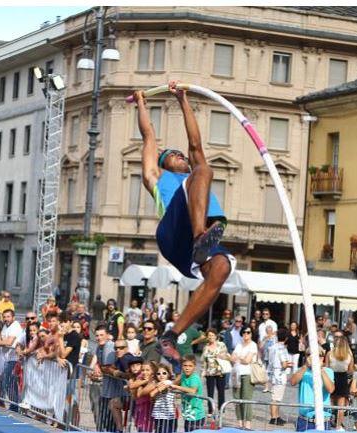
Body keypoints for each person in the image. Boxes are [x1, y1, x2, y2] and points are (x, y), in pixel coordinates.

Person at [133, 81, 234, 360]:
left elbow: (195, 144)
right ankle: (201, 234)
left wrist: (182, 99)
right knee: (202, 171)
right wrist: (141, 102)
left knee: (222, 268)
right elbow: (149, 137)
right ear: (163, 164)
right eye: (170, 156)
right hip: (175, 231)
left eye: (179, 155)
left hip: (193, 242)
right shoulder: (158, 178)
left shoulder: (194, 172)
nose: (177, 156)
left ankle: (172, 335)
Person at [290, 346, 335, 430]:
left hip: (323, 419)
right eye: (309, 355)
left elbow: (331, 389)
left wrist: (321, 369)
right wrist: (305, 366)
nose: (312, 357)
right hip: (304, 419)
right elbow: (293, 382)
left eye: (316, 355)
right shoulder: (302, 370)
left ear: (322, 357)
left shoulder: (328, 371)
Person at [231, 325, 258, 429]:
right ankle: (239, 421)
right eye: (244, 332)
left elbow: (247, 361)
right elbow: (232, 358)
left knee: (246, 398)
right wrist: (241, 358)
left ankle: (248, 423)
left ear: (251, 334)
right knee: (237, 399)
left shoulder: (253, 345)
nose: (246, 334)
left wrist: (239, 357)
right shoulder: (239, 344)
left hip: (247, 374)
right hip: (236, 374)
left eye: (248, 332)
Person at [327, 330, 354, 431]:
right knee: (341, 406)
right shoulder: (349, 356)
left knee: (330, 402)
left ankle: (329, 422)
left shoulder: (330, 354)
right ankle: (339, 426)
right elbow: (351, 371)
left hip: (332, 377)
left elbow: (326, 367)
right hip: (343, 379)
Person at [172, 354, 207, 432]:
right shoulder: (183, 376)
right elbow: (173, 384)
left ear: (194, 366)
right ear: (181, 366)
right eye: (185, 365)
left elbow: (192, 391)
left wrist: (176, 387)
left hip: (196, 414)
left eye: (190, 366)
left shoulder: (194, 378)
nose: (187, 368)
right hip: (188, 413)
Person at [201, 328, 230, 410]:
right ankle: (210, 410)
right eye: (209, 335)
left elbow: (226, 356)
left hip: (220, 371)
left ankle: (221, 409)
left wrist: (221, 356)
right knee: (210, 392)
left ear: (216, 336)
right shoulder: (205, 347)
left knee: (221, 391)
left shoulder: (221, 344)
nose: (211, 337)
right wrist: (203, 371)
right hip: (209, 372)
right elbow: (204, 361)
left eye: (212, 335)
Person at [267, 328, 292, 426]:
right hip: (280, 374)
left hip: (273, 373)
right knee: (276, 398)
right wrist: (289, 365)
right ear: (286, 338)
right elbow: (284, 364)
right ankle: (273, 418)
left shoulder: (273, 347)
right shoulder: (282, 348)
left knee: (276, 396)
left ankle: (276, 416)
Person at [149, 364, 178, 433]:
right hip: (159, 415)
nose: (161, 375)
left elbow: (152, 394)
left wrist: (156, 389)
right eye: (158, 373)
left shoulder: (168, 382)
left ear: (168, 374)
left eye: (164, 373)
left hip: (168, 416)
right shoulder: (157, 383)